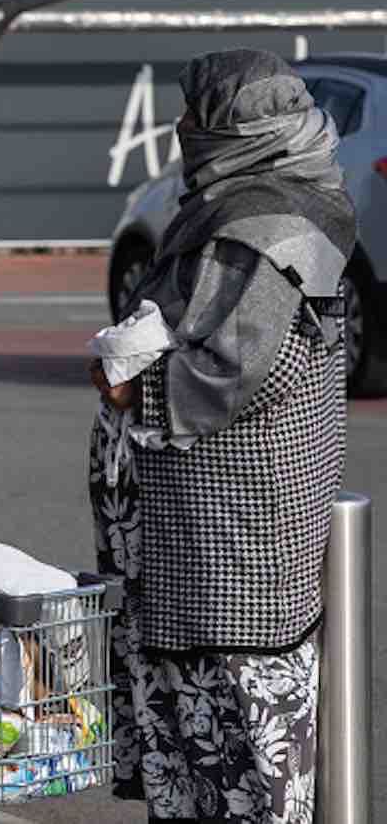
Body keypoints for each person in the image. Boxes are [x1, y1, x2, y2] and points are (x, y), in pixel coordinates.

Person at [88, 50, 355, 824]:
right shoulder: (281, 198)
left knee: (235, 757)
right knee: (216, 750)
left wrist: (132, 385)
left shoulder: (260, 224)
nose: (182, 132)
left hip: (224, 548)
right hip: (224, 541)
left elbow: (241, 367)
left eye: (198, 118)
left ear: (239, 131)